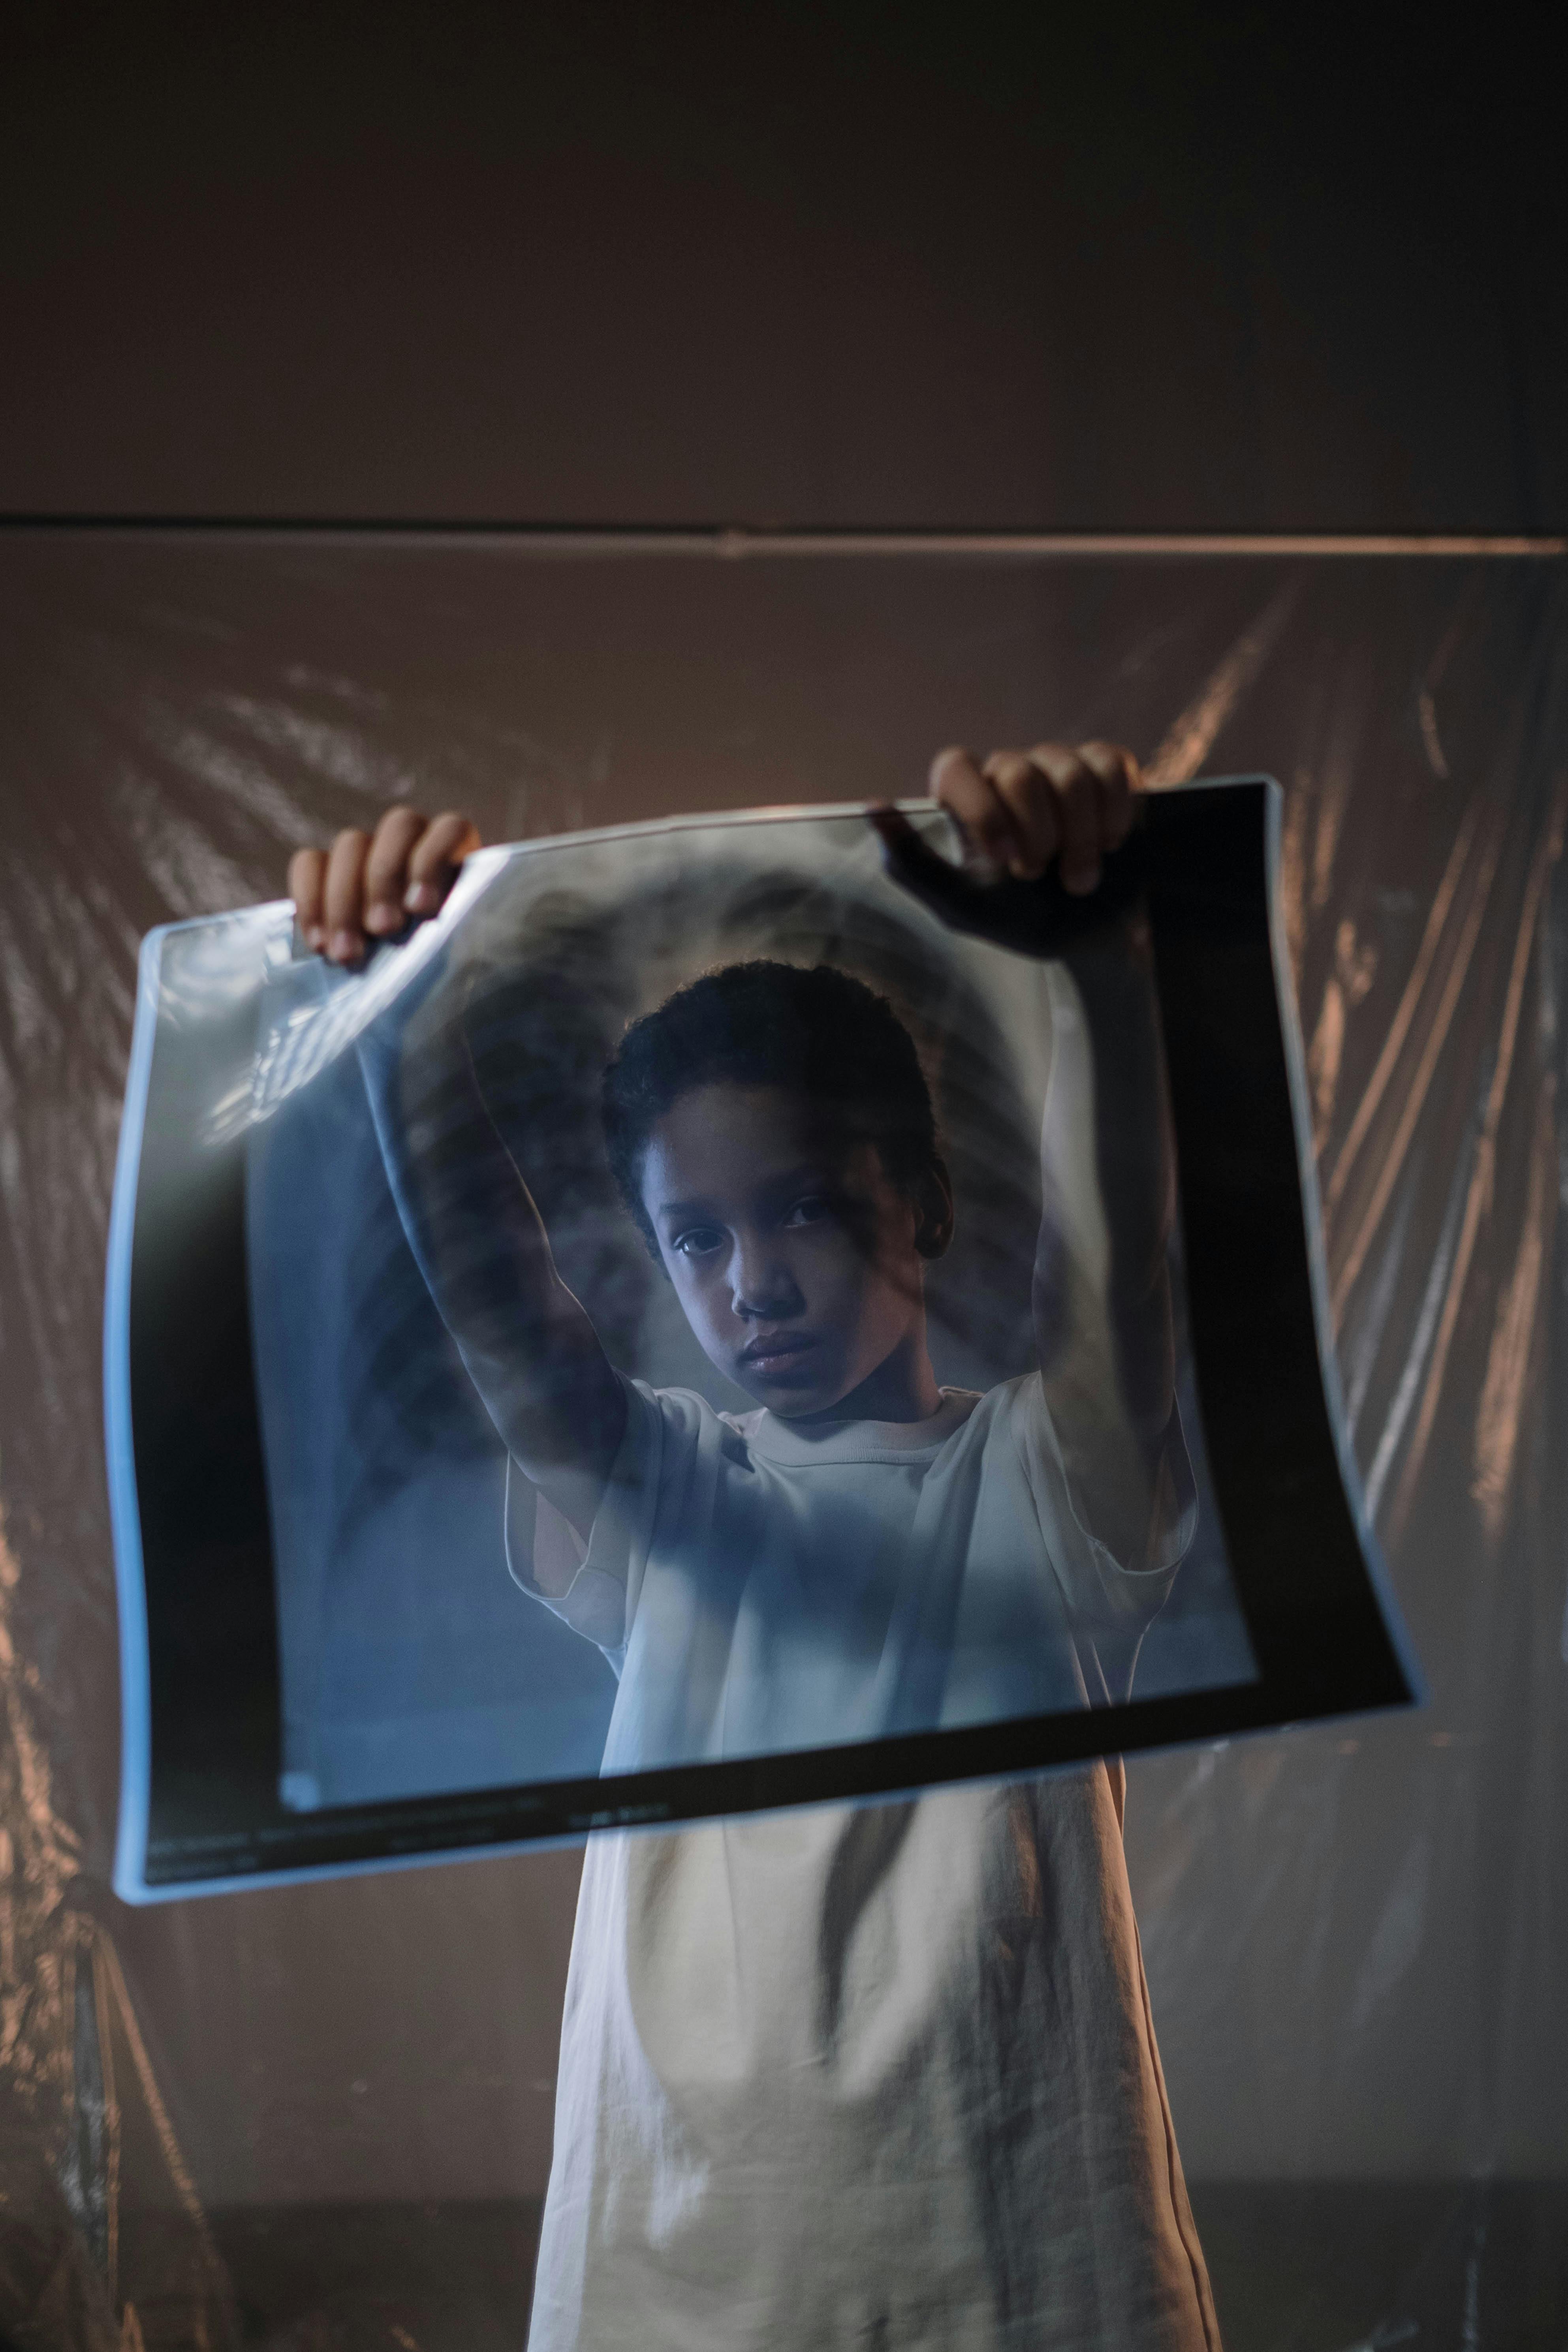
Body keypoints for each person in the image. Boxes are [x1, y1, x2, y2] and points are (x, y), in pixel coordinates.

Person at [288, 741, 1221, 2351]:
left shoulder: (1043, 1479)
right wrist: (401, 1005)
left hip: (1022, 2285)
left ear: (923, 1203)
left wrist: (1102, 963)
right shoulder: (670, 1487)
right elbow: (502, 1311)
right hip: (679, 2282)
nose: (753, 1283)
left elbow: (1117, 1274)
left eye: (800, 1209)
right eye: (698, 1238)